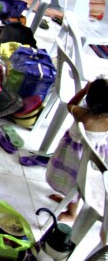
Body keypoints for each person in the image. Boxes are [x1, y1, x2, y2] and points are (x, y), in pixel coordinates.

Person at [45, 78, 108, 221]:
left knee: (72, 183)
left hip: (73, 156)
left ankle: (71, 213)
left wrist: (84, 90)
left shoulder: (81, 113)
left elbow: (71, 104)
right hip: (94, 159)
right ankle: (68, 202)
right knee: (74, 184)